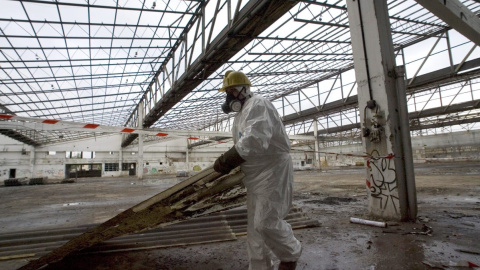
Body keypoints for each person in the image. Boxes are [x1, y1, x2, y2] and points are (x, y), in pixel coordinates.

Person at [213, 70, 302, 270]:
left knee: (266, 222)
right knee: (255, 227)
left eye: (233, 91)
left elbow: (255, 140)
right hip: (254, 175)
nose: (230, 97)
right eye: (227, 92)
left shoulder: (259, 104)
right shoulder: (239, 116)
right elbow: (245, 143)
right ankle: (260, 266)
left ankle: (290, 255)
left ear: (245, 89)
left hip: (272, 172)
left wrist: (228, 160)